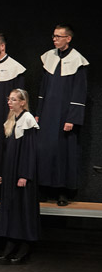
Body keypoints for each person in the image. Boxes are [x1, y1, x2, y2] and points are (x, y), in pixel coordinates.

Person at [36, 24, 89, 206]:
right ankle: (43, 188)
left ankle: (62, 192)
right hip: (48, 113)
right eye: (54, 36)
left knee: (63, 152)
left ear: (68, 38)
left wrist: (72, 118)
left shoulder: (78, 61)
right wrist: (38, 113)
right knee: (45, 150)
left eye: (58, 36)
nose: (55, 39)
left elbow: (79, 93)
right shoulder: (49, 57)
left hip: (65, 115)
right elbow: (43, 89)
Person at [0, 89, 40, 263]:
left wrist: (24, 175)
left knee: (22, 209)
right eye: (9, 99)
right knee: (11, 208)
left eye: (14, 99)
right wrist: (3, 174)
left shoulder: (28, 119)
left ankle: (25, 245)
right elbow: (7, 151)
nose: (10, 102)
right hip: (10, 171)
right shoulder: (11, 120)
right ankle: (11, 242)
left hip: (21, 173)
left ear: (23, 102)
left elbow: (30, 151)